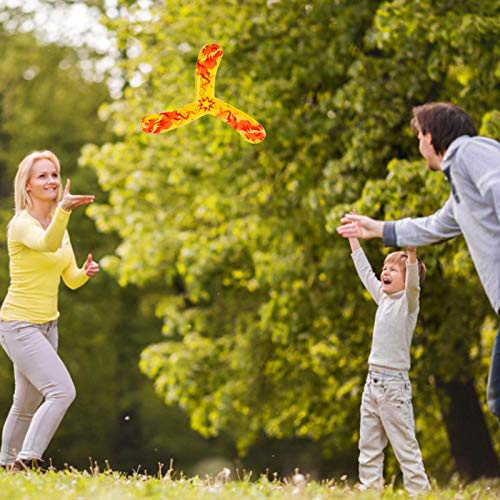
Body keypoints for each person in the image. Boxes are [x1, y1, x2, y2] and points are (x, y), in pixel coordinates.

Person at [336, 102, 500, 419]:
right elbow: (433, 227)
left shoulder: (470, 151)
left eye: (418, 137)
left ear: (430, 136)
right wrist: (377, 228)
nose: (418, 145)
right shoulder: (460, 189)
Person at [0, 150, 99, 471]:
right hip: (18, 324)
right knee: (61, 391)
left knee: (26, 404)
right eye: (42, 175)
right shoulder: (20, 225)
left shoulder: (59, 225)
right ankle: (26, 461)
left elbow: (69, 280)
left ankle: (4, 468)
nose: (51, 181)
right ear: (27, 185)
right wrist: (65, 212)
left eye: (54, 174)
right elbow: (45, 243)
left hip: (48, 326)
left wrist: (85, 273)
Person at [347, 233, 430, 494]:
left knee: (405, 445)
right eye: (385, 268)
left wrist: (412, 255)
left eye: (393, 269)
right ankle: (371, 488)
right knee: (368, 444)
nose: (385, 271)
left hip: (394, 388)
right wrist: (353, 239)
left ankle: (420, 492)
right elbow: (363, 270)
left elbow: (414, 286)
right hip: (372, 384)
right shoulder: (383, 299)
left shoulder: (408, 304)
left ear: (406, 280)